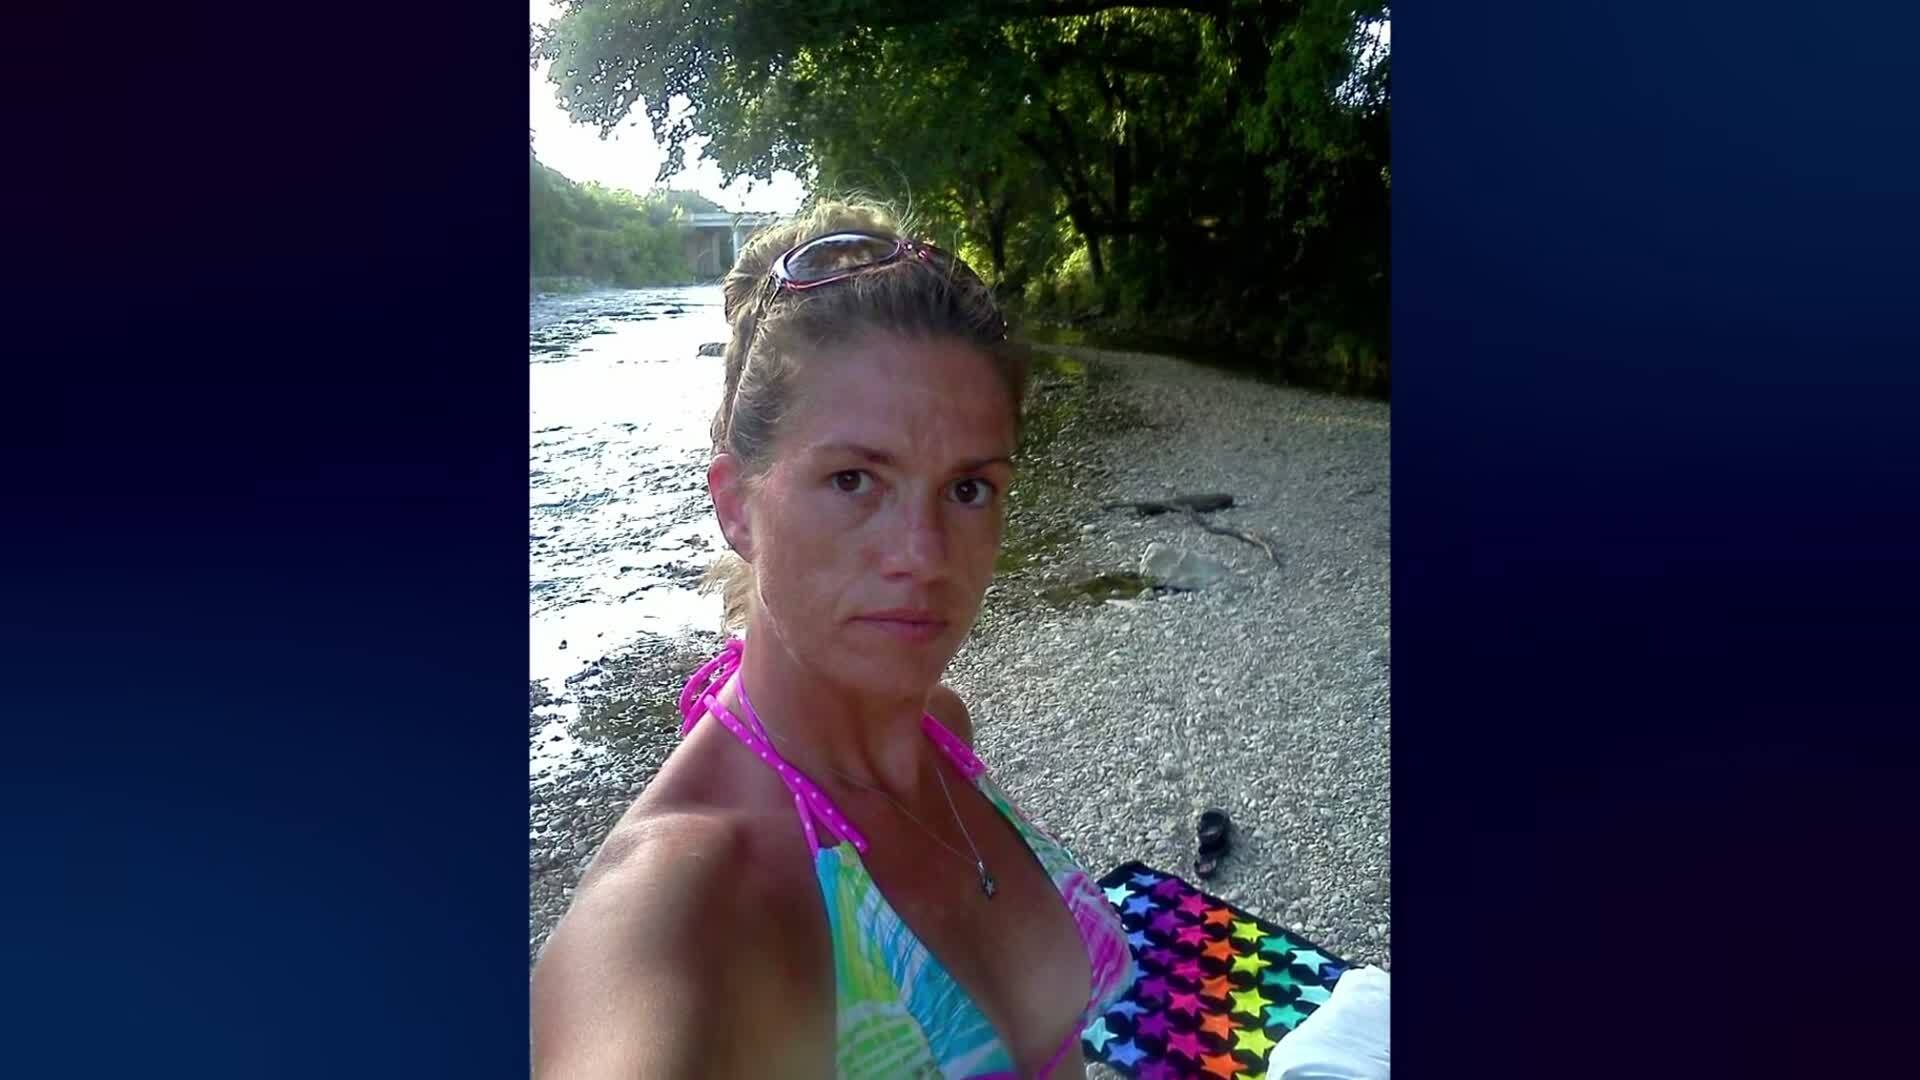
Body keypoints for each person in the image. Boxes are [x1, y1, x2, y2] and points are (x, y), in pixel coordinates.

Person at [531, 202, 1136, 1078]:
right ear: (736, 505)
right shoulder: (676, 908)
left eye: (968, 489)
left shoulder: (940, 730)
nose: (923, 556)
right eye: (854, 479)